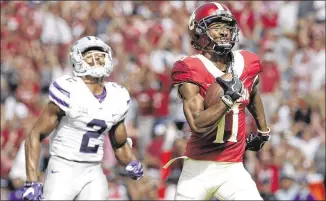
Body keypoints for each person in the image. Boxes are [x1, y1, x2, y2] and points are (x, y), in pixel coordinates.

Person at [164, 2, 271, 200]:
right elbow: (197, 124)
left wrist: (263, 131)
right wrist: (227, 100)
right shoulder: (190, 67)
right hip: (198, 170)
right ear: (199, 33)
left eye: (226, 27)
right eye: (215, 27)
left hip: (233, 169)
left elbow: (253, 92)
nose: (223, 32)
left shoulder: (247, 62)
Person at [22, 36, 144, 200]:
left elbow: (120, 143)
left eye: (100, 55)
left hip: (93, 169)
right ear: (78, 60)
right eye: (90, 56)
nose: (97, 59)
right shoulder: (69, 90)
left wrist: (131, 162)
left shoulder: (117, 96)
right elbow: (35, 135)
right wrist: (32, 181)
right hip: (63, 168)